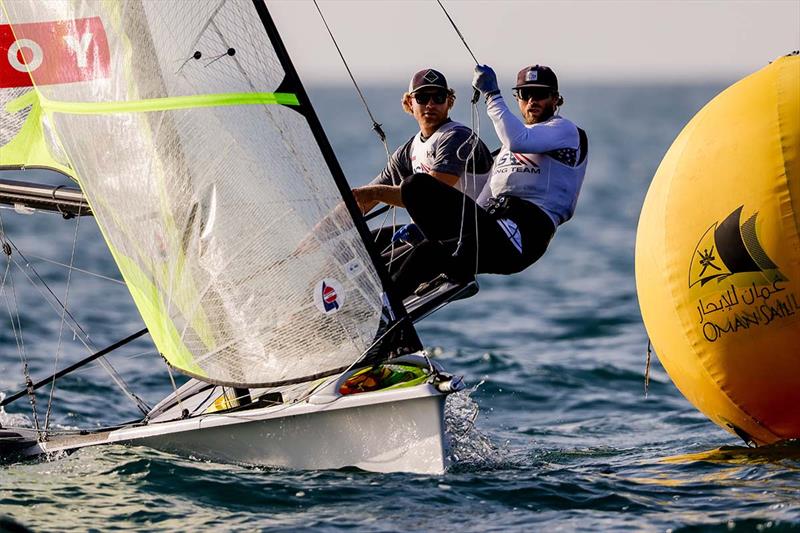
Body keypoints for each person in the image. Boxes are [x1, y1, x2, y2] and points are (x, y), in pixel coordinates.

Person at [388, 64, 588, 299]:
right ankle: (385, 309)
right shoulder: (511, 146)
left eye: (540, 94)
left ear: (556, 99)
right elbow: (487, 194)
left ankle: (455, 272)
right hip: (490, 227)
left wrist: (492, 95)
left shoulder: (565, 130)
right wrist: (428, 226)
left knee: (416, 186)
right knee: (424, 253)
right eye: (525, 94)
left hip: (521, 235)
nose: (532, 100)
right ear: (518, 98)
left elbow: (517, 140)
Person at [351, 68, 493, 255]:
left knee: (385, 265)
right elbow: (362, 201)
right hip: (438, 231)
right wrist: (320, 234)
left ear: (449, 101)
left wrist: (375, 193)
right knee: (360, 247)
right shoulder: (408, 150)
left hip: (470, 235)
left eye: (439, 97)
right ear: (410, 102)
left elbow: (429, 196)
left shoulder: (457, 136)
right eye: (423, 98)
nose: (431, 104)